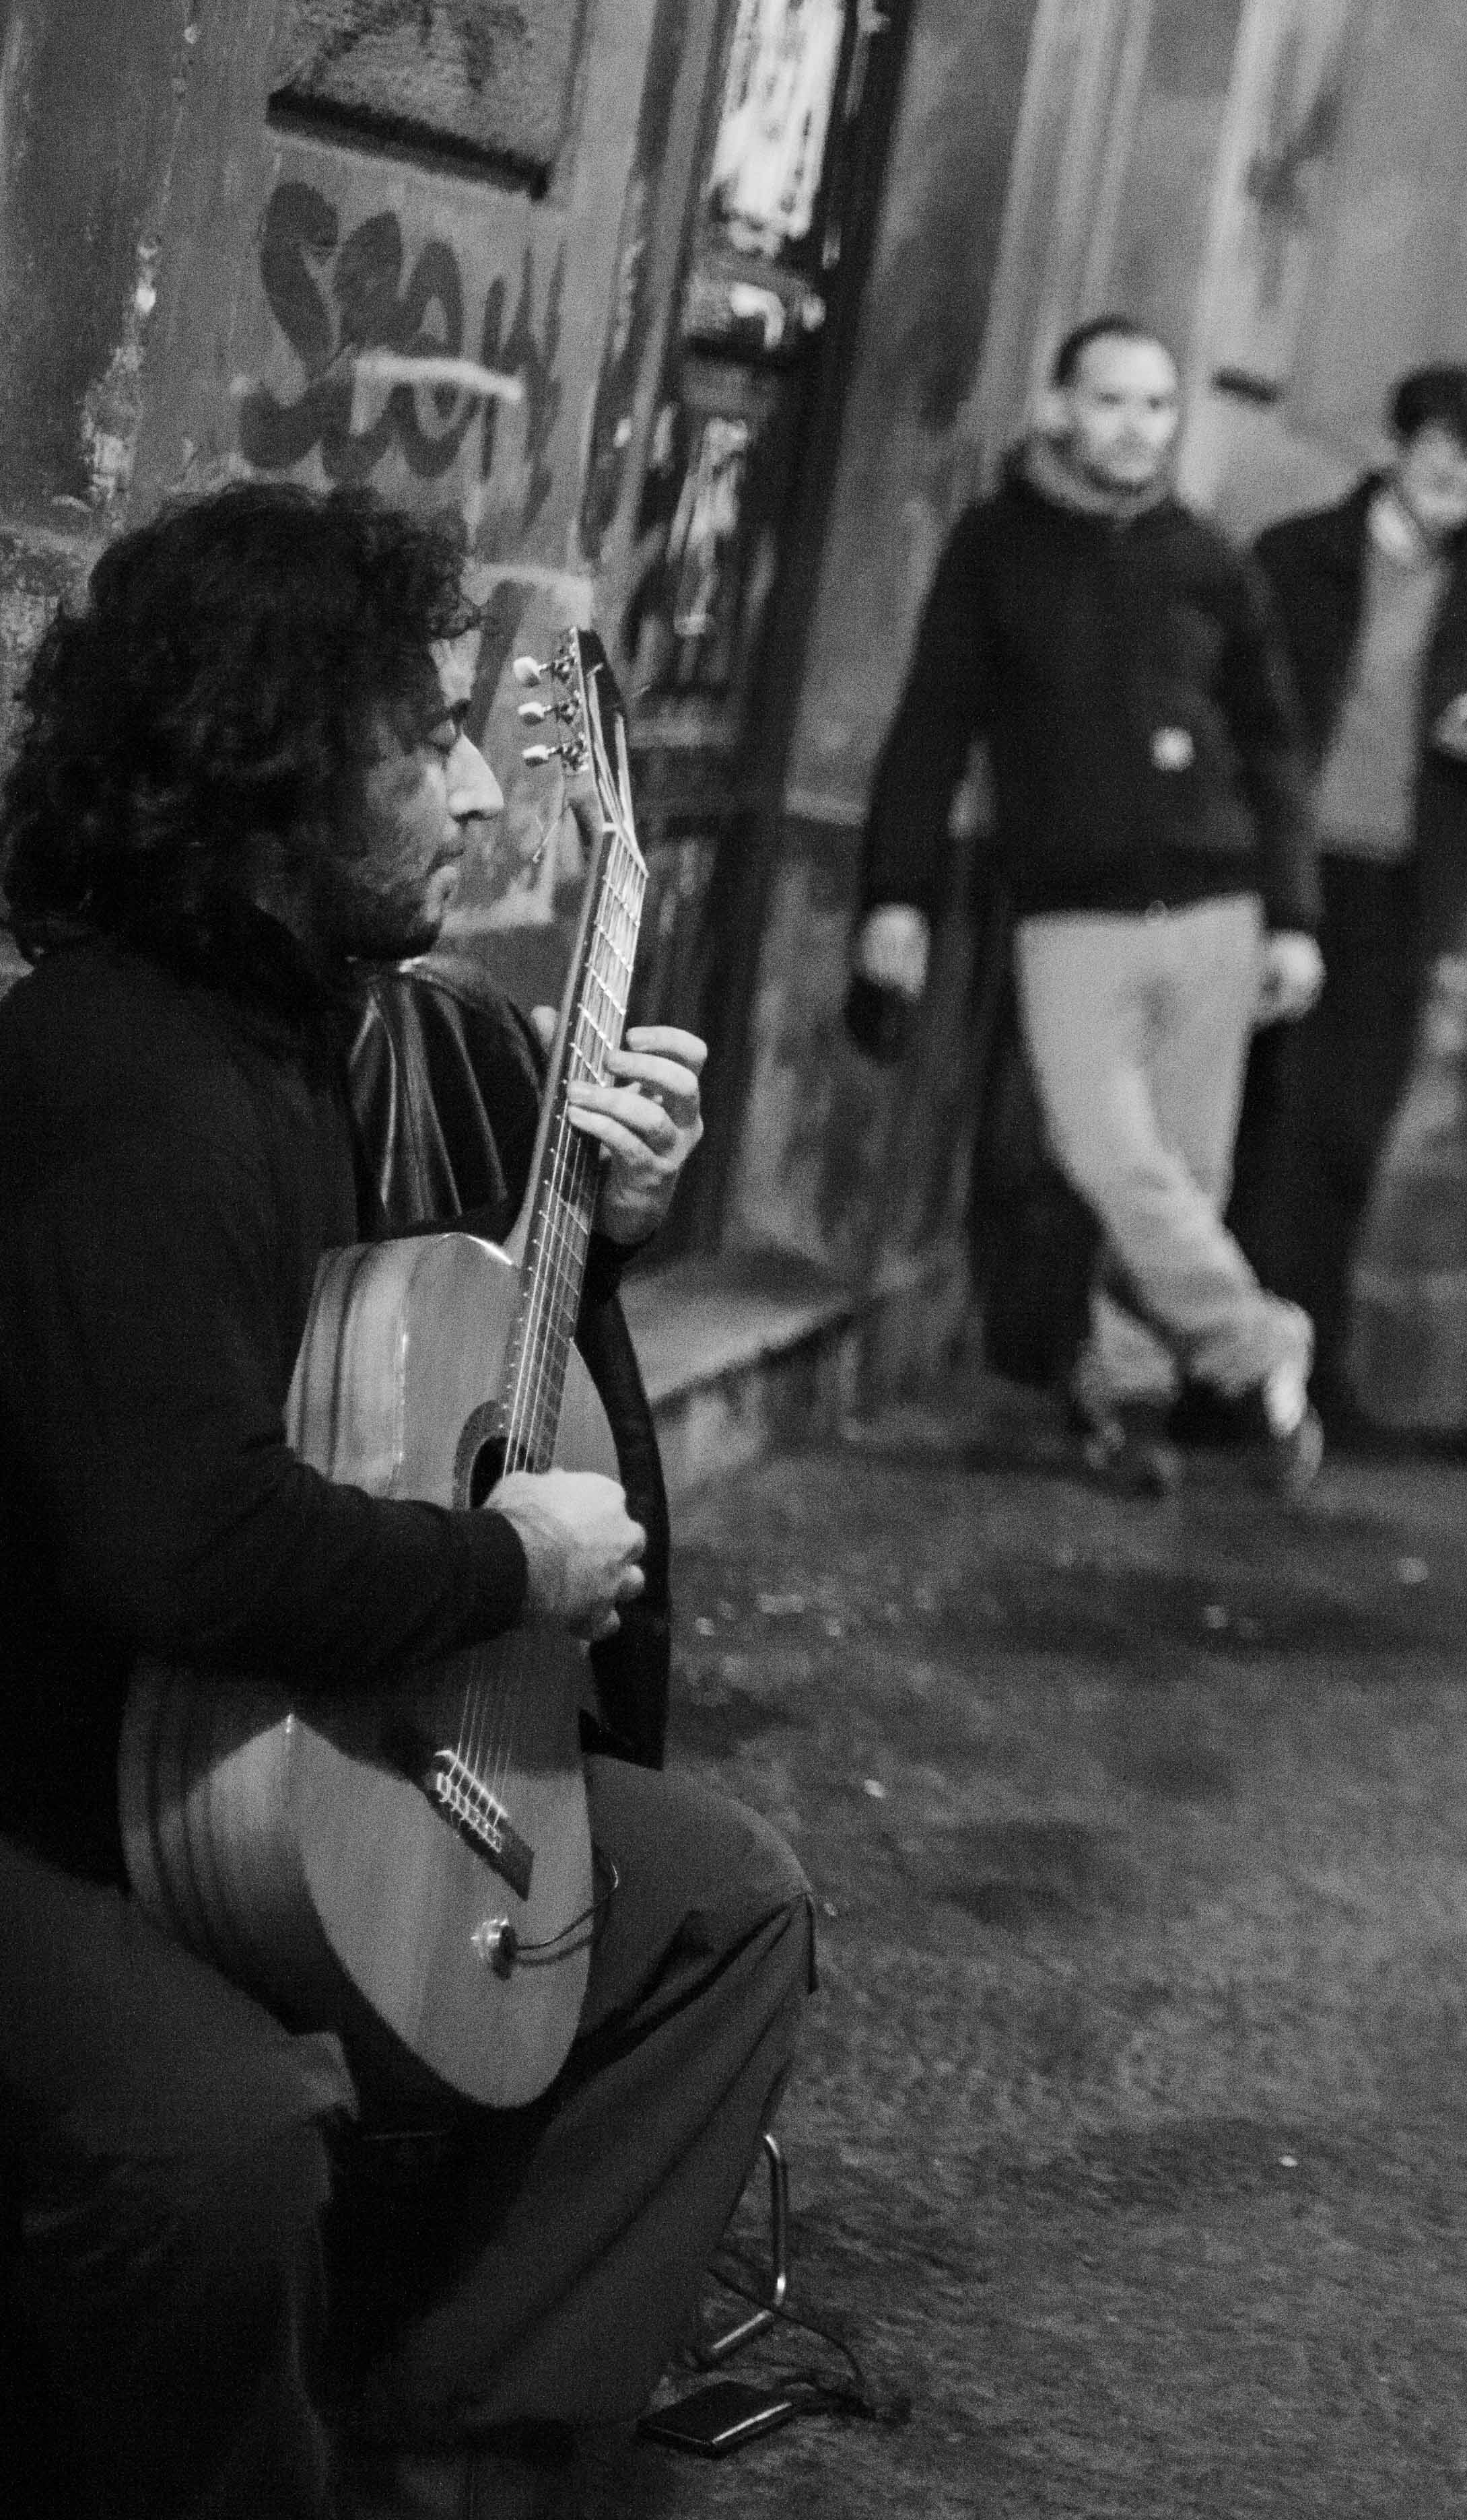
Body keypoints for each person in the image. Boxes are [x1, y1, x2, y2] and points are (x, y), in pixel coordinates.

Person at [0, 483, 813, 2519]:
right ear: (267, 776)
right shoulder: (123, 1080)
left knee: (719, 1905)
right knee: (223, 2138)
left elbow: (405, 1371)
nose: (474, 794)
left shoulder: (333, 1031)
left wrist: (605, 1230)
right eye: (425, 741)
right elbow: (183, 1543)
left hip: (275, 1742)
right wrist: (509, 1560)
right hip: (52, 1789)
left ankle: (445, 2453)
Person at [852, 314, 1322, 1497]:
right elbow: (931, 724)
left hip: (1217, 907)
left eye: (1158, 405)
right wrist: (897, 895)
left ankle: (1133, 1402)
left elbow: (1273, 748)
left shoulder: (1210, 559)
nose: (1136, 427)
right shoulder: (995, 547)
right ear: (1059, 407)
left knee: (1186, 1181)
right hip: (1070, 913)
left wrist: (1295, 915)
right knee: (1109, 1156)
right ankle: (1256, 1341)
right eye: (1111, 401)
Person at [1239, 363, 1467, 1441]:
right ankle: (1224, 1359)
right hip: (1281, 866)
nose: (1463, 491)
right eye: (1447, 463)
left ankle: (1314, 1363)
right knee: (1253, 1114)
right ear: (1400, 447)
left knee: (1347, 1130)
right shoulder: (1296, 558)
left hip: (1402, 888)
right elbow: (1241, 700)